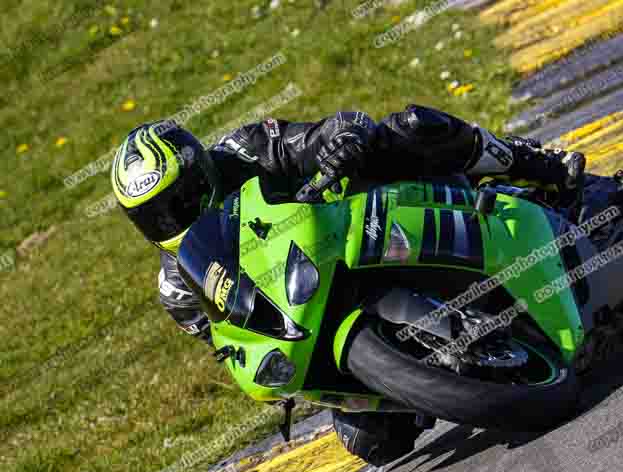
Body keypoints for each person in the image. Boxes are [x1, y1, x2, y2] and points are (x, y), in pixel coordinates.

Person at [110, 104, 586, 345]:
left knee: (409, 127)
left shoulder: (245, 150)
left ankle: (535, 163)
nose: (173, 219)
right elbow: (238, 346)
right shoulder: (178, 285)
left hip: (366, 219)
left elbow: (336, 127)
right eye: (154, 216)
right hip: (316, 310)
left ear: (202, 172)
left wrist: (342, 143)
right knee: (370, 440)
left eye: (180, 200)